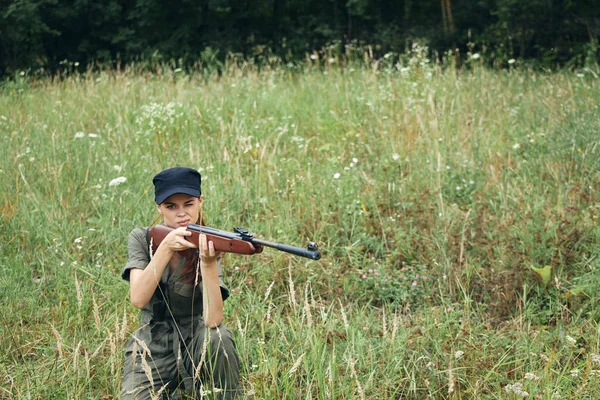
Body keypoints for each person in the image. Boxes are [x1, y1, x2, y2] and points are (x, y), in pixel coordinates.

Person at [120, 167, 240, 399]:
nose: (181, 213)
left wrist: (207, 263)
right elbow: (138, 298)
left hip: (197, 338)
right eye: (171, 206)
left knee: (219, 337)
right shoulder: (142, 238)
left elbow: (213, 319)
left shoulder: (209, 241)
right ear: (159, 207)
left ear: (200, 202)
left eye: (188, 203)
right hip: (152, 342)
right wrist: (165, 248)